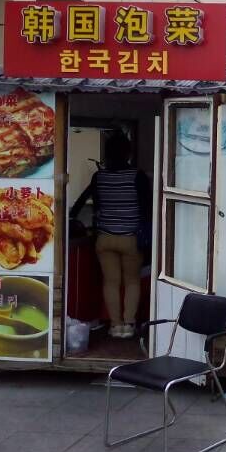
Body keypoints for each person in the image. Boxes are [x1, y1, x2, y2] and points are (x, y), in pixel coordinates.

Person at [71, 133, 150, 339]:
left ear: (107, 154)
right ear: (128, 153)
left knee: (110, 282)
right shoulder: (137, 176)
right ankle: (129, 325)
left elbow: (85, 202)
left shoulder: (100, 177)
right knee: (132, 281)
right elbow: (147, 207)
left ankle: (115, 325)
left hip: (104, 238)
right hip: (130, 238)